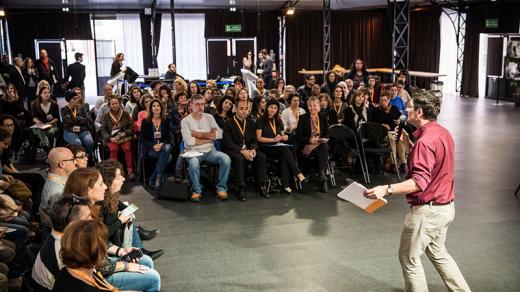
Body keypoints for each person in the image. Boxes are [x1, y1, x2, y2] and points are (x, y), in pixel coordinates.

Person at [365, 91, 471, 292]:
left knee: (409, 259)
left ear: (419, 112)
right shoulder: (442, 133)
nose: (406, 110)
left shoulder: (425, 142)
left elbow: (418, 182)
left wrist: (385, 189)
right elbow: (432, 165)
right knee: (439, 254)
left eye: (410, 107)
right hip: (445, 208)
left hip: (427, 213)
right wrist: (408, 146)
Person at [95, 160, 163, 259]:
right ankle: (140, 242)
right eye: (118, 178)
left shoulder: (110, 196)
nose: (123, 179)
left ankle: (139, 240)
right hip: (109, 248)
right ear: (108, 180)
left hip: (114, 237)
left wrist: (129, 210)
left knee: (128, 213)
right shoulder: (100, 204)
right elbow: (101, 236)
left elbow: (119, 204)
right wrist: (120, 220)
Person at [32, 194, 92, 291]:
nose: (91, 220)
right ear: (73, 225)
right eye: (88, 217)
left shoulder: (57, 238)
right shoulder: (66, 254)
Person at [181, 94, 231, 202]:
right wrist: (210, 137)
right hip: (193, 152)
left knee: (226, 159)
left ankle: (221, 188)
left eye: (202, 104)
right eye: (197, 104)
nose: (200, 107)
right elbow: (189, 142)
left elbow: (220, 134)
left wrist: (200, 136)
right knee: (193, 163)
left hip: (210, 151)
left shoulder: (209, 117)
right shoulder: (185, 121)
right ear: (191, 105)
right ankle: (196, 191)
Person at [52, 220, 119, 292]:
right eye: (103, 244)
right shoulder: (83, 287)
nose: (106, 248)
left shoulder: (68, 271)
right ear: (92, 251)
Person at [256, 99, 305, 195]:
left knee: (285, 155)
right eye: (271, 107)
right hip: (265, 147)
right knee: (285, 150)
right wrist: (273, 140)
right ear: (267, 108)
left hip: (277, 146)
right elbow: (259, 138)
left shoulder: (278, 120)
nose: (273, 110)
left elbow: (283, 136)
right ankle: (298, 173)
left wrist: (284, 137)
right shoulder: (260, 120)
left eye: (275, 108)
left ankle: (286, 185)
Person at [222, 99, 268, 201]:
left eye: (246, 108)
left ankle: (261, 185)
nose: (244, 111)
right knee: (239, 159)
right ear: (236, 109)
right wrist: (241, 151)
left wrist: (253, 149)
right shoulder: (228, 123)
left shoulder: (251, 122)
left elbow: (254, 140)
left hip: (248, 149)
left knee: (261, 157)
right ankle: (241, 187)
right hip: (233, 150)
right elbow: (228, 143)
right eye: (241, 108)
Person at [296, 96, 330, 193]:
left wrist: (324, 139)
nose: (312, 108)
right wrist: (310, 140)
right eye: (310, 106)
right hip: (308, 145)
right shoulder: (303, 118)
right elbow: (298, 136)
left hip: (320, 143)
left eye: (315, 105)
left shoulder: (323, 117)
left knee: (324, 146)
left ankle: (321, 176)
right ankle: (322, 176)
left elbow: (327, 132)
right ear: (307, 107)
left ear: (319, 106)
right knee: (324, 149)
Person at [140, 99, 173, 193]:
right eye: (154, 106)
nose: (156, 108)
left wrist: (162, 144)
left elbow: (167, 137)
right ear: (150, 108)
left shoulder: (166, 120)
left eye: (158, 106)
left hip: (163, 146)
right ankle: (154, 177)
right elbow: (143, 140)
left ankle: (156, 177)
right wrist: (153, 146)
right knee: (169, 157)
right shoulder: (145, 121)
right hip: (151, 149)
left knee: (167, 147)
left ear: (161, 108)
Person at [39, 147, 77, 226]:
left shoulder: (57, 181)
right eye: (73, 159)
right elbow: (65, 222)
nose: (76, 162)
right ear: (62, 164)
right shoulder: (58, 191)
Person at [100, 95, 135, 180]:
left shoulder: (125, 114)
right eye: (112, 104)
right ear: (109, 105)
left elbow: (131, 126)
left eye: (116, 103)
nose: (115, 105)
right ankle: (114, 172)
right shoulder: (106, 115)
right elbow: (103, 129)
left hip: (123, 137)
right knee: (113, 149)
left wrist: (125, 133)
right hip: (112, 138)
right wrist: (109, 138)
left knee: (127, 148)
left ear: (119, 104)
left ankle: (130, 171)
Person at [61, 90, 94, 158]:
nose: (77, 100)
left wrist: (75, 119)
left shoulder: (82, 107)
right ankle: (78, 159)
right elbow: (67, 122)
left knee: (89, 142)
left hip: (82, 129)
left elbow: (88, 119)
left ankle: (88, 157)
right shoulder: (64, 109)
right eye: (74, 98)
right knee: (77, 143)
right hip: (69, 131)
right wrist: (81, 119)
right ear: (69, 100)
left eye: (77, 98)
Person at [31, 85, 60, 151]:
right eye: (45, 93)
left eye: (48, 92)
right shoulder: (34, 104)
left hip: (52, 124)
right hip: (39, 125)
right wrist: (39, 122)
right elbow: (33, 117)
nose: (47, 94)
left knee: (50, 132)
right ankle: (48, 148)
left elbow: (57, 118)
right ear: (40, 94)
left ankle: (47, 147)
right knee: (39, 130)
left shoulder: (54, 104)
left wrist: (49, 123)